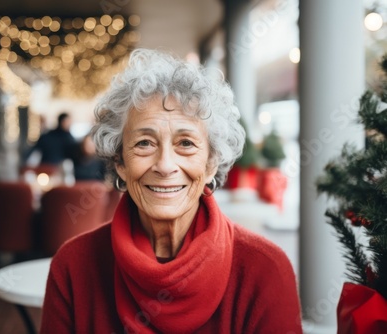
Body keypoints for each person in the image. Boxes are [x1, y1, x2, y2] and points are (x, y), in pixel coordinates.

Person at [40, 49, 303, 333]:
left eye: (186, 143)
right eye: (144, 143)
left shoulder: (265, 271)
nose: (165, 166)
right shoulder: (73, 266)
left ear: (211, 163)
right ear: (120, 163)